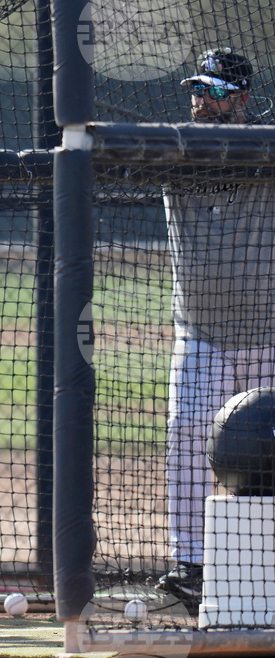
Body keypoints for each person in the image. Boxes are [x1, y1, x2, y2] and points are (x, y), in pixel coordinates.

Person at [158, 47, 275, 612]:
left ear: (243, 99)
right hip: (200, 332)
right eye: (197, 90)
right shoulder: (174, 148)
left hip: (266, 335)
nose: (202, 100)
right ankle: (191, 564)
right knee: (186, 433)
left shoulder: (267, 147)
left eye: (215, 92)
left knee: (265, 452)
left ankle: (261, 563)